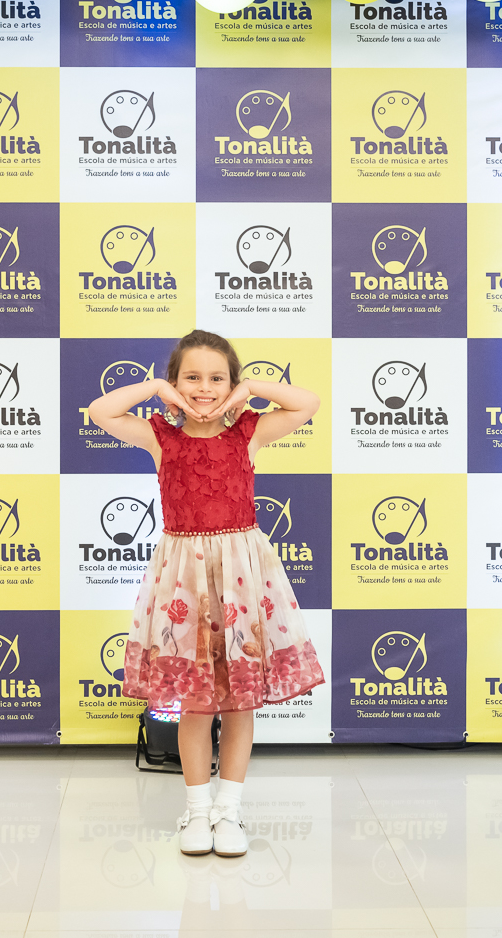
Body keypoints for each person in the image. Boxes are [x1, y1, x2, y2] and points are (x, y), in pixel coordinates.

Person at [87, 329, 326, 857]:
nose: (204, 388)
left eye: (217, 378)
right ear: (175, 383)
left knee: (240, 704)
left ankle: (229, 811)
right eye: (191, 378)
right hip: (185, 583)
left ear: (231, 384)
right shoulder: (160, 438)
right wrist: (155, 388)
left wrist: (251, 388)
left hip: (242, 581)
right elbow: (101, 411)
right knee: (195, 705)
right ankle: (197, 812)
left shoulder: (248, 432)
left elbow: (307, 403)